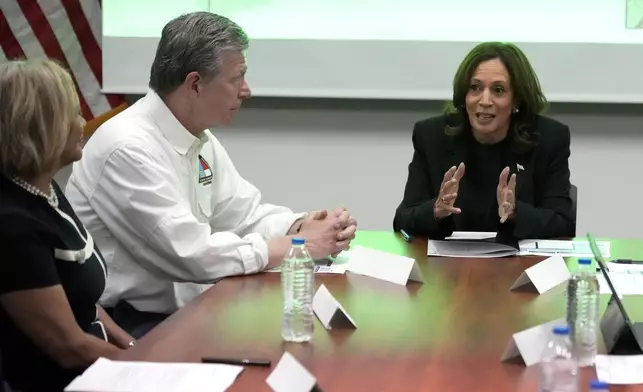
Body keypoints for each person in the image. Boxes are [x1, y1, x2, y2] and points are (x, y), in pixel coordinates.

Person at [65, 12, 357, 338]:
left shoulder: (199, 140)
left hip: (190, 310)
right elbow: (192, 254)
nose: (246, 90)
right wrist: (297, 246)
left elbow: (243, 214)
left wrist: (304, 226)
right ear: (195, 84)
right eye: (237, 78)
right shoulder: (127, 148)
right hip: (130, 325)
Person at [0, 59, 135, 392]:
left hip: (95, 368)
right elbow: (69, 346)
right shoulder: (11, 225)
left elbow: (82, 303)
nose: (83, 123)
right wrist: (145, 368)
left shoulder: (46, 190)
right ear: (40, 126)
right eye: (73, 114)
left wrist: (135, 349)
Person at [393, 42, 574, 241]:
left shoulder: (548, 138)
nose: (485, 100)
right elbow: (402, 220)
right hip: (448, 268)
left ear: (516, 100)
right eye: (475, 88)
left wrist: (515, 211)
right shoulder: (432, 136)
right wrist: (436, 209)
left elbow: (563, 223)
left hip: (518, 266)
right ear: (464, 95)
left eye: (498, 90)